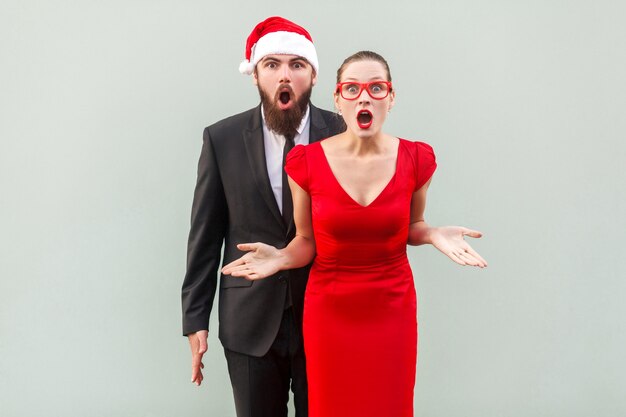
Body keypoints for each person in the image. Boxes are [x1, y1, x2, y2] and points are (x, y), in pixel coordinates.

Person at [222, 50, 488, 417]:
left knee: (388, 405)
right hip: (329, 311)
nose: (364, 97)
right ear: (338, 99)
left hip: (391, 308)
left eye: (377, 88)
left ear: (391, 98)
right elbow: (306, 241)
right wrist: (282, 257)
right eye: (352, 89)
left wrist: (434, 234)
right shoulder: (306, 163)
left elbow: (412, 226)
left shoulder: (416, 159)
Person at [181, 16, 345, 417]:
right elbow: (205, 233)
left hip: (326, 317)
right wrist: (195, 318)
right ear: (255, 75)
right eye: (272, 65)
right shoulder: (221, 138)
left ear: (313, 75)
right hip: (249, 323)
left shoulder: (342, 133)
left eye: (296, 65)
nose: (284, 75)